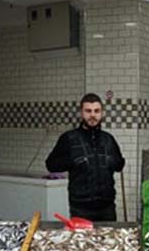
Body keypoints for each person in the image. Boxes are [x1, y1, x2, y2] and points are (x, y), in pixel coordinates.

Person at [45, 93, 125, 222]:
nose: (92, 115)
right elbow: (51, 165)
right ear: (81, 113)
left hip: (107, 208)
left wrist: (112, 161)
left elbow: (119, 165)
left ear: (102, 113)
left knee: (108, 236)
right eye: (88, 111)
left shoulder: (109, 140)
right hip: (80, 209)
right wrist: (72, 161)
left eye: (96, 111)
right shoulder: (69, 138)